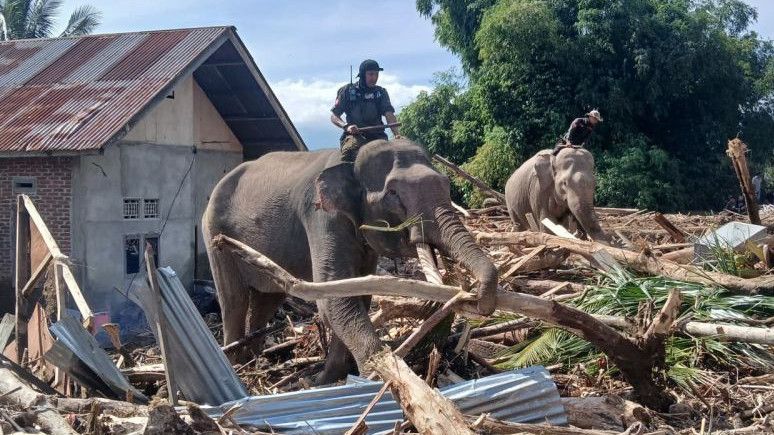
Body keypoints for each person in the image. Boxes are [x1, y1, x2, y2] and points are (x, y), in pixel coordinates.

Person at [331, 59, 401, 161]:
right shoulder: (347, 91)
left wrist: (397, 134)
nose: (375, 78)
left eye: (377, 74)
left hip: (378, 136)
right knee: (349, 153)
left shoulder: (381, 93)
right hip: (355, 135)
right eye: (371, 74)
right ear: (363, 75)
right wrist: (346, 126)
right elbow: (334, 116)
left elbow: (389, 114)